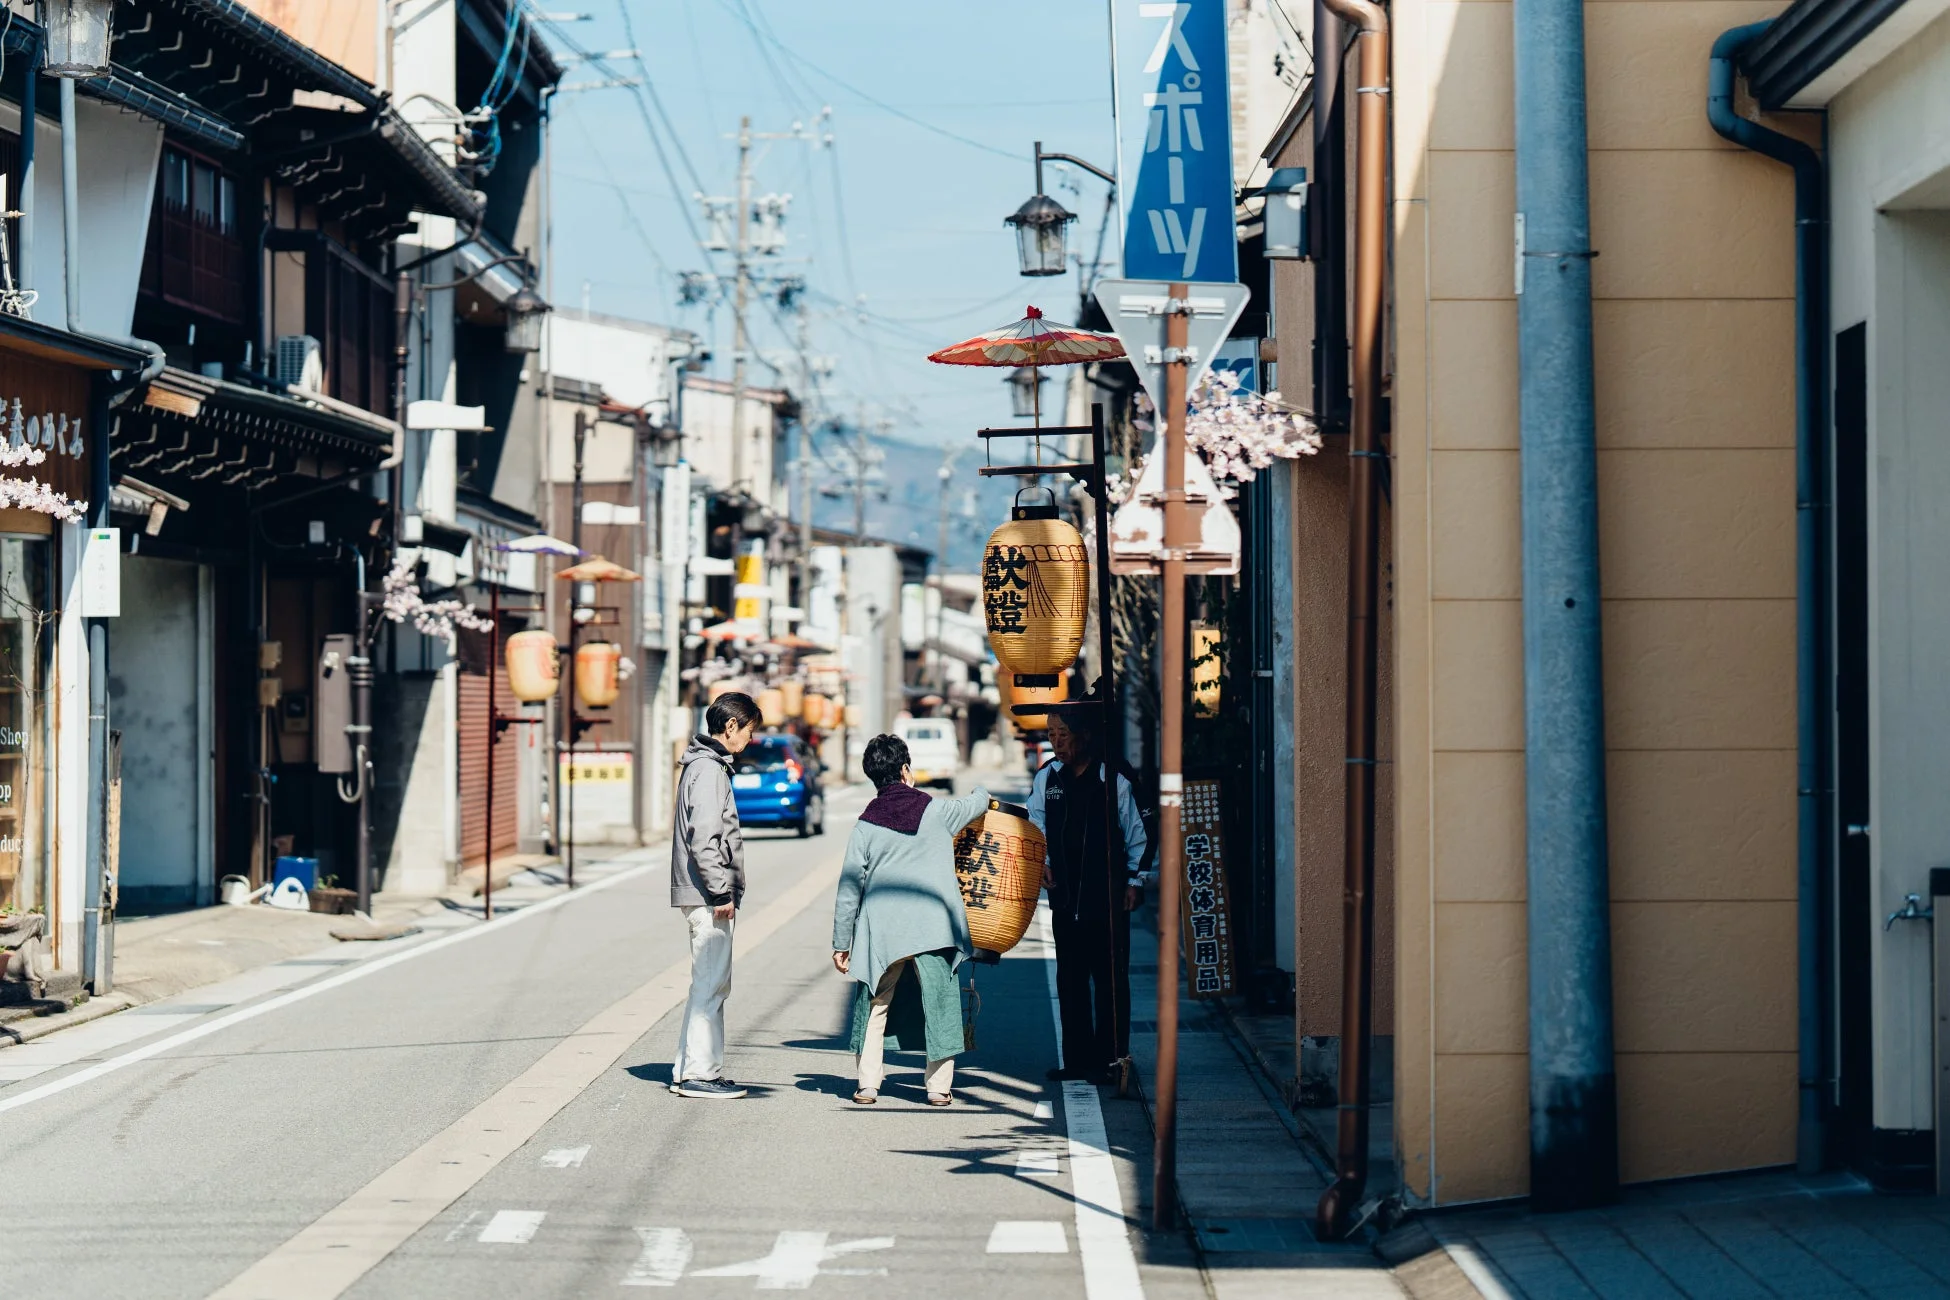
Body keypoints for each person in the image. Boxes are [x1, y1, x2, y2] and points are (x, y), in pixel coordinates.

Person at [831, 733, 991, 1106]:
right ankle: (937, 1088)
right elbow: (978, 802)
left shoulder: (865, 825)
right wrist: (983, 788)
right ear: (905, 770)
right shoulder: (936, 811)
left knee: (874, 1004)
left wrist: (842, 943)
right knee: (939, 1003)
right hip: (933, 928)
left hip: (881, 934)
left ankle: (868, 1084)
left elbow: (848, 890)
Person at [1028, 702, 1149, 1084]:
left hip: (1108, 899)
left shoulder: (1113, 777)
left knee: (1111, 981)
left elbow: (1138, 833)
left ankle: (1113, 1061)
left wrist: (1135, 880)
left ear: (1084, 736)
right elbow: (1037, 822)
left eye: (1063, 734)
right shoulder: (1049, 777)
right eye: (1051, 734)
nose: (1056, 742)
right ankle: (1078, 1061)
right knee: (1071, 981)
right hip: (1064, 899)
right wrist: (1043, 860)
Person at [669, 691, 761, 1099]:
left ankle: (689, 1068)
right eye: (749, 731)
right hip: (708, 894)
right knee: (711, 984)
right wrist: (721, 890)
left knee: (707, 983)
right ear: (731, 727)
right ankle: (699, 1075)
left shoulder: (704, 766)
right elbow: (704, 839)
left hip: (704, 892)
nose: (749, 740)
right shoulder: (709, 770)